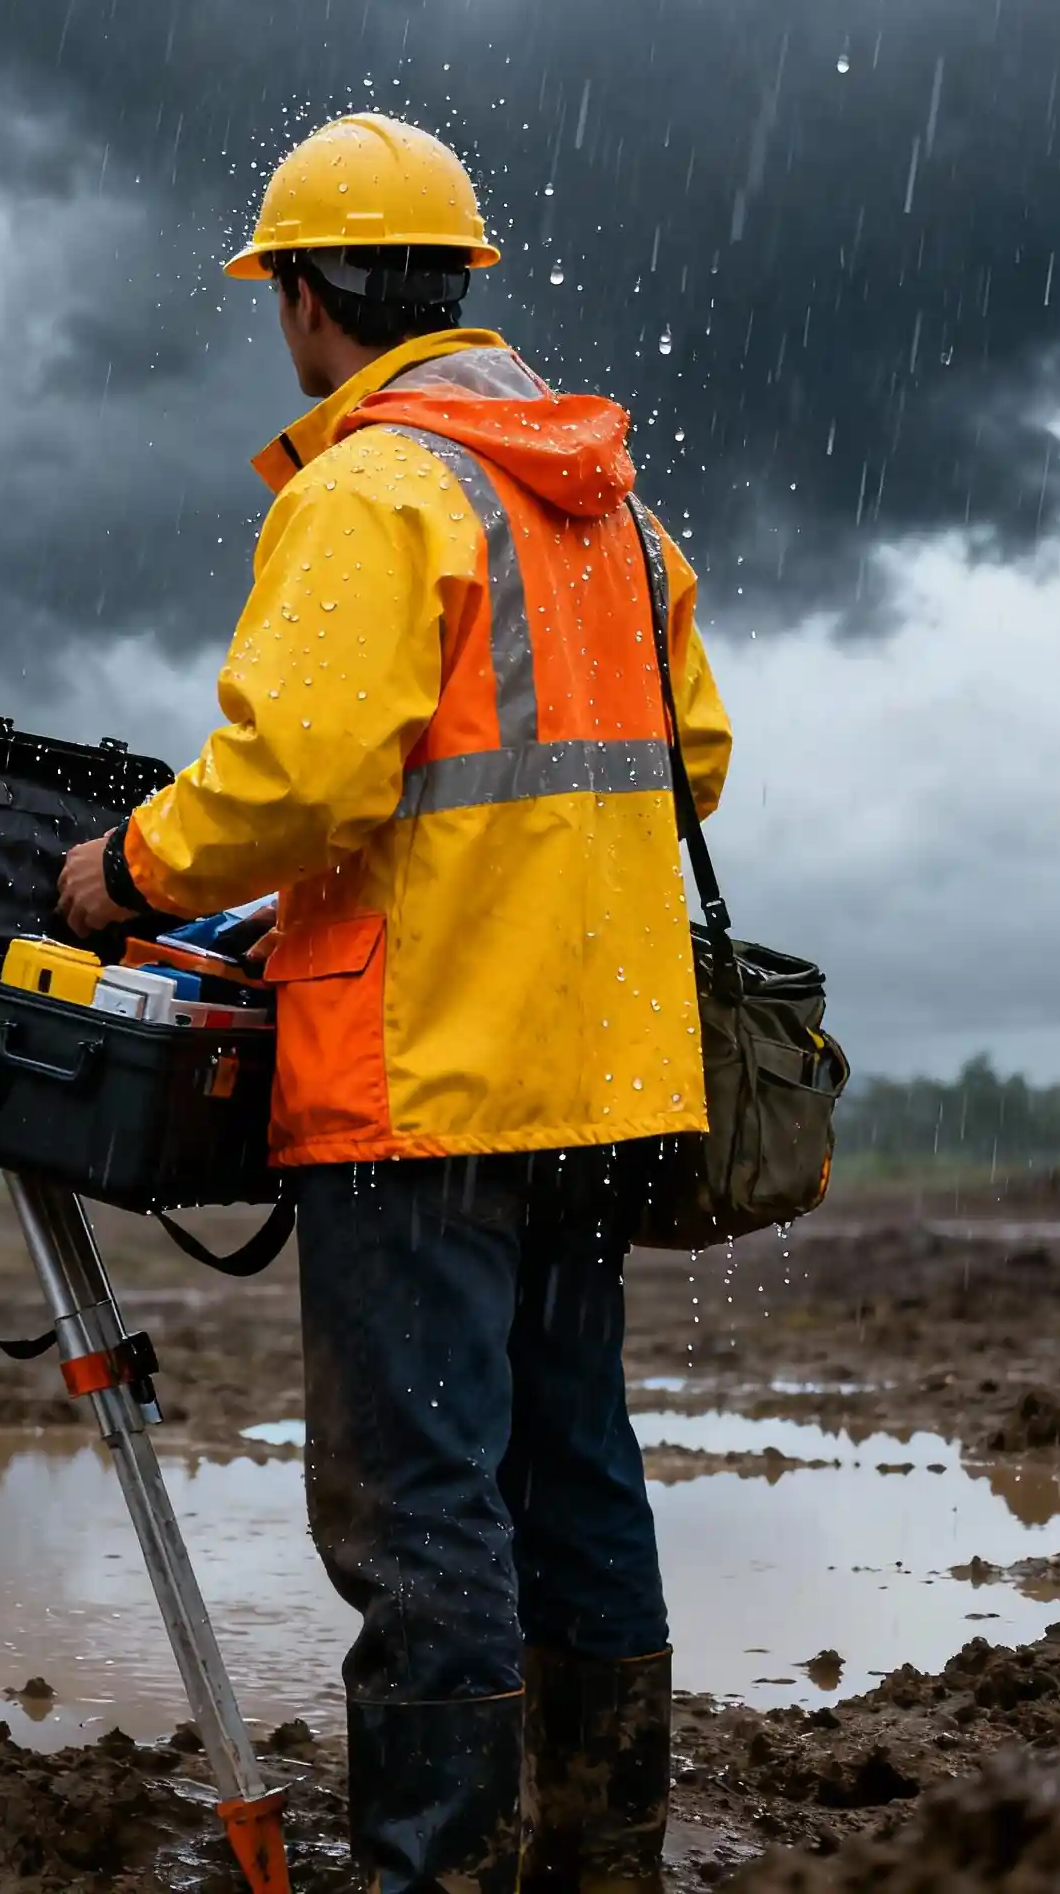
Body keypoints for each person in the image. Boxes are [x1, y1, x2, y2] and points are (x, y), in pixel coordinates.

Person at [59, 112, 731, 1893]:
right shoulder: (607, 501)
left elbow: (295, 780)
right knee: (573, 1480)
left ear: (304, 300)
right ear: (453, 282)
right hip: (597, 1080)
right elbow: (694, 763)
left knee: (419, 1514)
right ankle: (601, 1860)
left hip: (420, 1082)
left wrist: (125, 874)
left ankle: (438, 1870)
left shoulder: (374, 487)